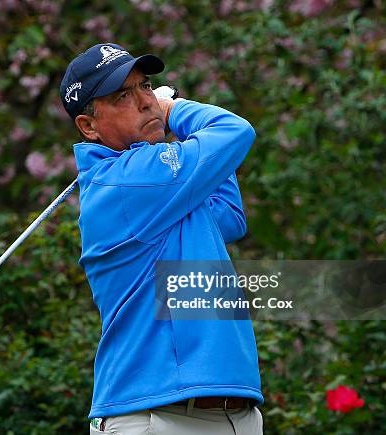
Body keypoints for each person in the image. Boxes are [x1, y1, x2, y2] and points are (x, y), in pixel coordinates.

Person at [60, 43, 264, 435]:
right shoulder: (125, 180)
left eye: (146, 86)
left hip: (230, 416)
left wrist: (172, 137)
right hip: (155, 417)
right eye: (123, 96)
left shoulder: (161, 187)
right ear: (89, 126)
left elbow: (230, 217)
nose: (145, 102)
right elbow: (235, 131)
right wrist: (175, 112)